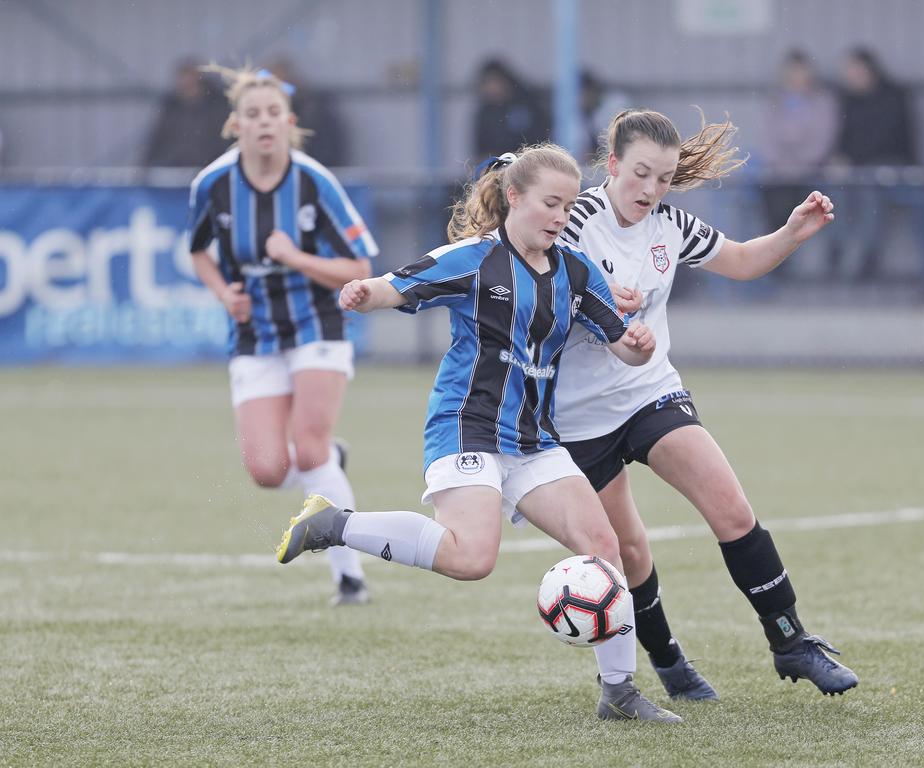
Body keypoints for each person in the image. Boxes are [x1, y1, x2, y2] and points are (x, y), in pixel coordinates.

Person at [276, 144, 681, 723]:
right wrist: (367, 294)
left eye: (568, 206)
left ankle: (618, 691)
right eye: (550, 203)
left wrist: (636, 349)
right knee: (471, 558)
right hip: (468, 426)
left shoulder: (575, 270)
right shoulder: (475, 259)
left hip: (534, 438)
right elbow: (398, 284)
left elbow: (621, 341)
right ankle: (332, 524)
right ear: (514, 197)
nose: (561, 216)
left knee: (605, 546)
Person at [556, 109, 859, 698]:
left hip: (649, 393)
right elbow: (538, 275)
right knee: (629, 550)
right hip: (578, 415)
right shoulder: (577, 221)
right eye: (640, 173)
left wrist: (791, 232)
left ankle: (791, 643)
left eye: (664, 178)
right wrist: (587, 290)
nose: (650, 189)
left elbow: (741, 261)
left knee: (732, 509)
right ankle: (670, 664)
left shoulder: (671, 225)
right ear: (613, 165)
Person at [187, 65, 375, 606]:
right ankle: (330, 464)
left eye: (273, 113)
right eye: (253, 114)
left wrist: (294, 257)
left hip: (318, 325)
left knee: (309, 448)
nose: (264, 122)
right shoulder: (213, 185)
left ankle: (350, 576)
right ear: (235, 125)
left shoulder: (315, 181)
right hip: (255, 335)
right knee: (268, 470)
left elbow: (359, 264)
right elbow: (198, 251)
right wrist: (225, 293)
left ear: (289, 122)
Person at [829, 47, 917, 281]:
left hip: (893, 165)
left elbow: (887, 139)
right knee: (830, 189)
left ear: (869, 70)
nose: (849, 76)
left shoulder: (893, 96)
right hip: (857, 167)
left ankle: (869, 256)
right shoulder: (849, 100)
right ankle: (836, 249)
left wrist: (852, 160)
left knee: (870, 190)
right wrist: (840, 158)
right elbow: (844, 137)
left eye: (854, 70)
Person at [760, 51, 838, 277]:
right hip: (778, 174)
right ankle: (776, 262)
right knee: (774, 205)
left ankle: (809, 264)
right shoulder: (775, 101)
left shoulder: (822, 102)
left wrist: (800, 165)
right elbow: (767, 140)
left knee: (808, 206)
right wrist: (780, 165)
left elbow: (822, 140)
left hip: (811, 173)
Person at [143, 58, 231, 167]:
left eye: (191, 77)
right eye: (183, 78)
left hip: (208, 169)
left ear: (198, 79)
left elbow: (226, 141)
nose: (187, 82)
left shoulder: (217, 108)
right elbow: (157, 142)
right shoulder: (171, 109)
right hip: (175, 172)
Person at [472, 59, 551, 161]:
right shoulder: (485, 113)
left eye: (493, 82)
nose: (490, 88)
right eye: (486, 84)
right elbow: (481, 148)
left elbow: (540, 136)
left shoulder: (527, 105)